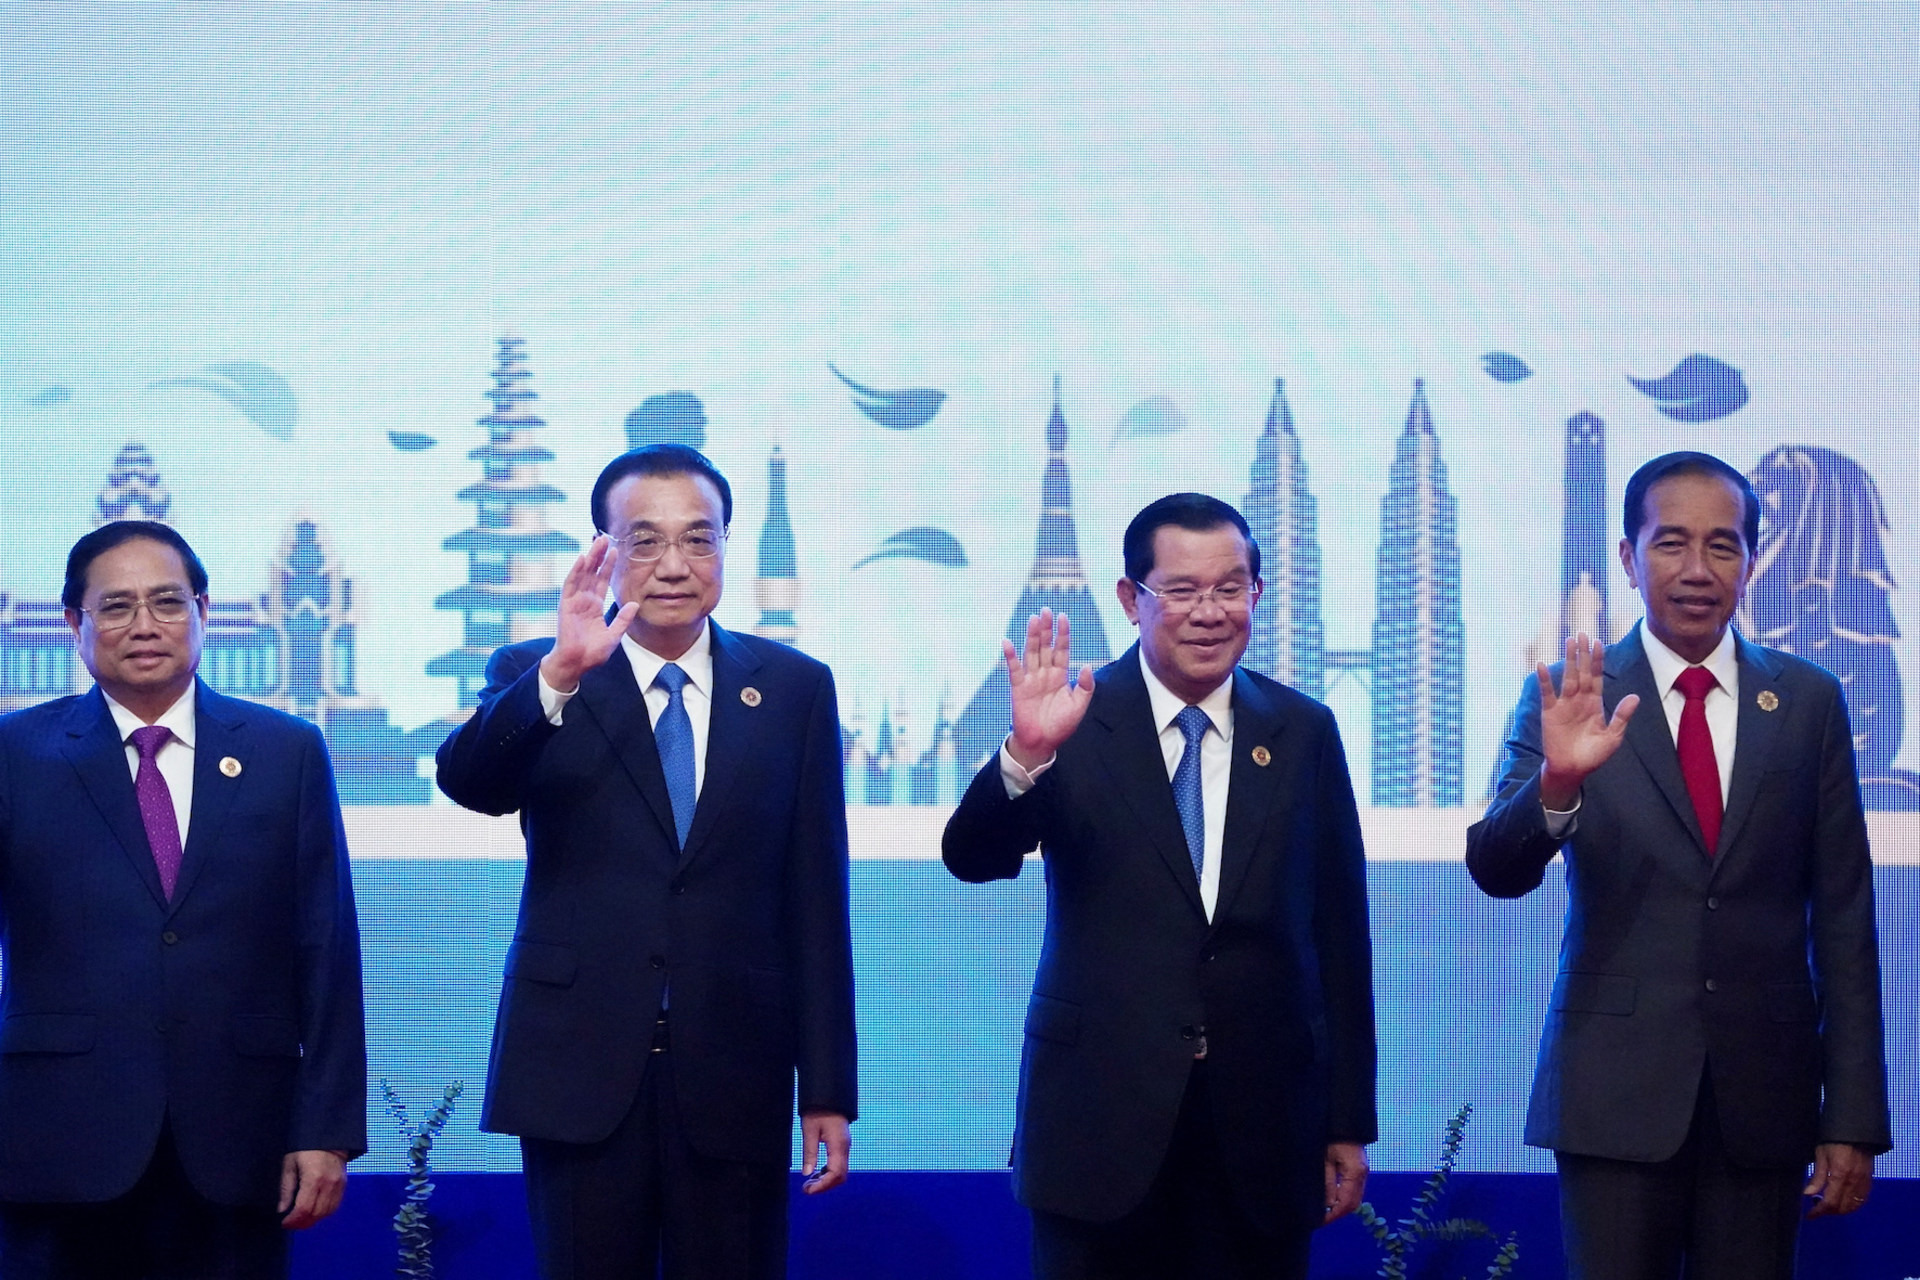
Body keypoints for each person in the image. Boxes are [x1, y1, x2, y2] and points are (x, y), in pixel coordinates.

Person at [1467, 450, 1891, 1279]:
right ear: (1628, 558)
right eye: (1670, 543)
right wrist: (1560, 780)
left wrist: (1853, 1116)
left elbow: (1843, 918)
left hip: (1762, 1101)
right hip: (1612, 1097)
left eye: (1723, 545)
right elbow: (1496, 867)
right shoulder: (1568, 692)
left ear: (1752, 560)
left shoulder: (1807, 702)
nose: (1697, 570)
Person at [435, 443, 856, 1280]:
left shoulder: (795, 688)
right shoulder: (537, 668)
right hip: (576, 1063)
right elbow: (471, 783)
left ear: (728, 548)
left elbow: (815, 898)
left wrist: (831, 1088)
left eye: (699, 540)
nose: (674, 565)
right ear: (603, 548)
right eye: (645, 540)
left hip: (737, 1066)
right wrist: (561, 673)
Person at [942, 492, 1376, 1280]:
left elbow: (1340, 937)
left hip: (1262, 1130)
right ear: (1130, 600)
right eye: (1180, 591)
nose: (1209, 612)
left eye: (1230, 588)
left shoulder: (1304, 731)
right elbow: (973, 857)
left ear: (1257, 593)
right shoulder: (1073, 718)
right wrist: (1024, 756)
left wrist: (1346, 1121)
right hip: (1097, 1128)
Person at [0, 520, 367, 1279]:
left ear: (204, 612)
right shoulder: (15, 755)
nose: (144, 626)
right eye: (117, 606)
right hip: (57, 1139)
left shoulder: (286, 750)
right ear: (76, 624)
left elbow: (326, 950)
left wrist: (326, 1129)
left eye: (167, 603)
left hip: (240, 1140)